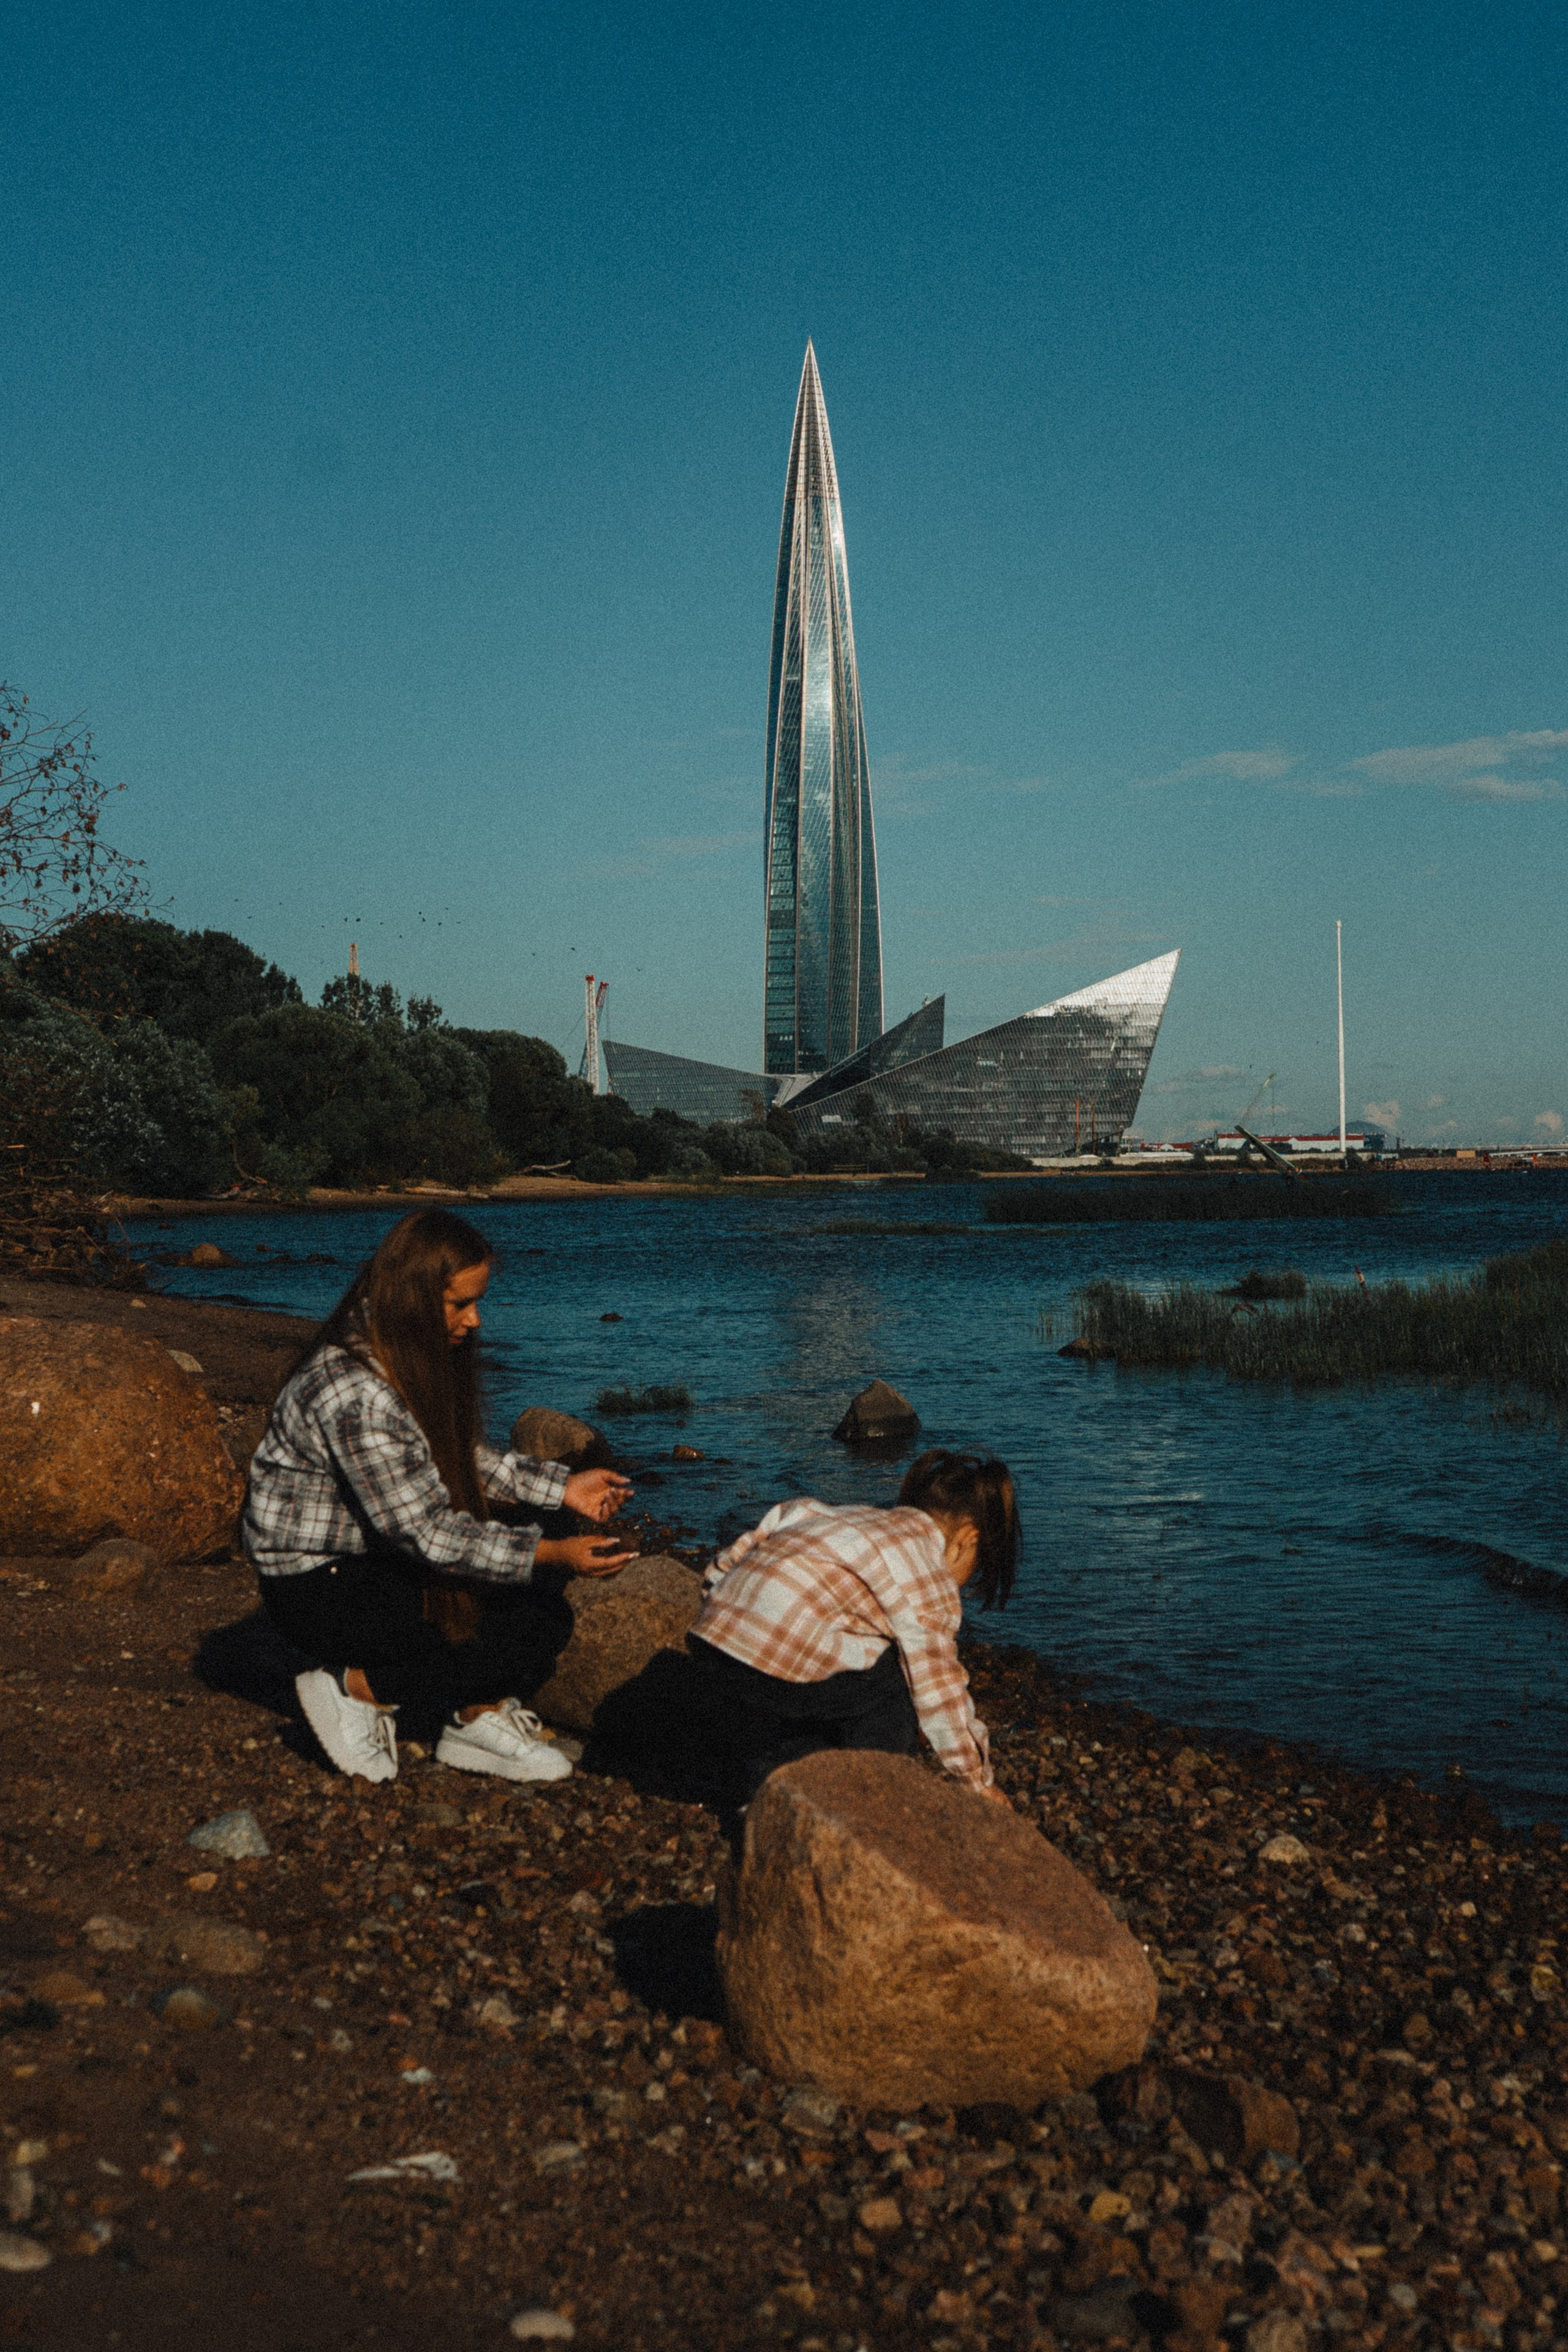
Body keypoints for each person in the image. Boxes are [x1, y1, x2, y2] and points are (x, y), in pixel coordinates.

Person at [243, 1209, 634, 1786]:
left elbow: (453, 1458)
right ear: (413, 1297)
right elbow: (425, 1533)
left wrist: (563, 1488)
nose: (475, 1320)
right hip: (318, 1587)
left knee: (542, 1563)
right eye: (460, 1304)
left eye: (477, 1302)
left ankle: (472, 1718)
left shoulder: (395, 1352)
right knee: (525, 1619)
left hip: (367, 1556)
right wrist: (551, 1554)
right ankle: (355, 1688)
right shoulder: (357, 1392)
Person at [688, 1447, 1019, 1807]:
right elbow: (938, 1689)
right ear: (968, 1539)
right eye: (977, 1564)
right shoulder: (927, 1569)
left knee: (851, 1652)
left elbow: (724, 1566)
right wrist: (977, 1781)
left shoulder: (824, 1513)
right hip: (772, 1675)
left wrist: (729, 1626)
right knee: (898, 1673)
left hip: (710, 1646)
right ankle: (877, 1795)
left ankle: (767, 1777)